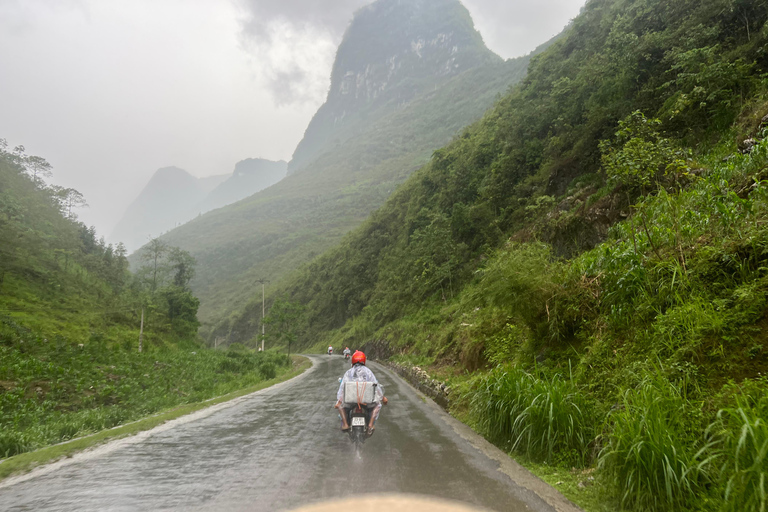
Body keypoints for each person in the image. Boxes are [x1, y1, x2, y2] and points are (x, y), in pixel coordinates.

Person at [334, 350, 387, 435]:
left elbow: (342, 388)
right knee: (378, 405)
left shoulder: (348, 373)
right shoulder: (368, 372)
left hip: (350, 401)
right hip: (366, 401)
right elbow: (376, 385)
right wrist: (383, 398)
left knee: (341, 406)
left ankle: (345, 424)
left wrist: (339, 401)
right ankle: (370, 425)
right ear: (364, 361)